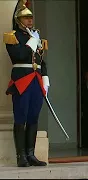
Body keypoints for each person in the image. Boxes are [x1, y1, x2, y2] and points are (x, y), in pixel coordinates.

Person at [3, 0, 49, 167]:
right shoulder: (13, 37)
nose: (30, 20)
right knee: (21, 117)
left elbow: (41, 60)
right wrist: (31, 42)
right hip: (22, 79)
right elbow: (20, 55)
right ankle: (20, 155)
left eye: (31, 17)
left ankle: (31, 154)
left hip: (35, 79)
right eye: (26, 18)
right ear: (18, 20)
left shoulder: (36, 36)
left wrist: (45, 78)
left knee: (33, 117)